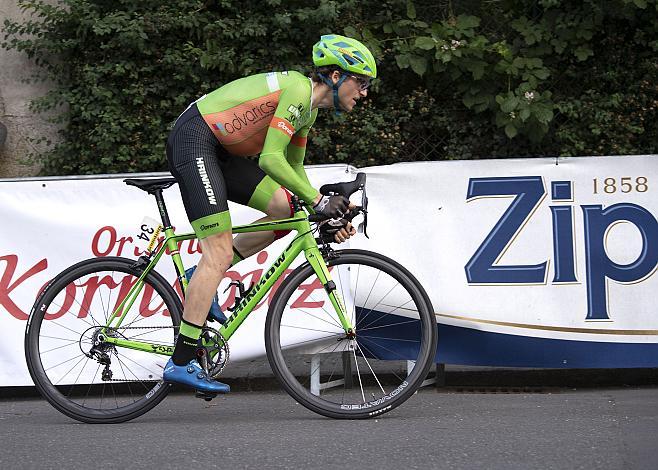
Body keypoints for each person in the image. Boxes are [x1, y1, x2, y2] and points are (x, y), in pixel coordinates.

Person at [163, 34, 377, 393]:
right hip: (195, 140)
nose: (365, 92)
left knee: (285, 209)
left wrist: (325, 212)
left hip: (221, 151)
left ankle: (200, 276)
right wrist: (318, 202)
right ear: (337, 76)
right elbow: (270, 159)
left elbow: (293, 173)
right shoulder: (297, 90)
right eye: (362, 82)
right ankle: (181, 361)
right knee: (215, 250)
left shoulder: (307, 112)